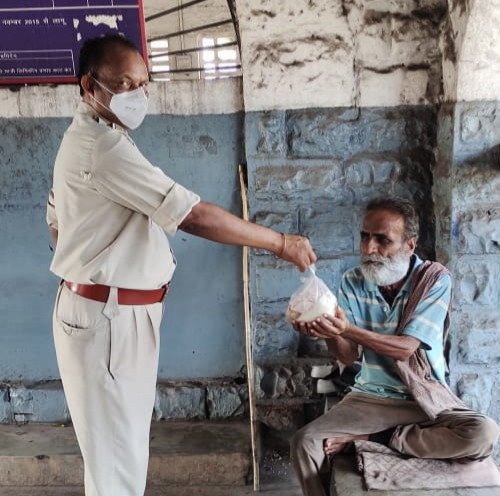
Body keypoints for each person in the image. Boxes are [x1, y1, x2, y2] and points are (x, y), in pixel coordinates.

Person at [46, 34, 316, 496]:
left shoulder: (90, 137)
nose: (137, 95)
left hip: (106, 310)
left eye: (143, 84)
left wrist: (98, 253)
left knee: (117, 455)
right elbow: (193, 215)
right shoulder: (102, 147)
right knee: (117, 466)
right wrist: (279, 243)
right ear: (90, 85)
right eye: (124, 84)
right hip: (109, 317)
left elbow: (56, 224)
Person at [291, 197, 499, 496]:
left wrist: (347, 328)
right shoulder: (352, 281)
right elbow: (348, 355)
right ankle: (382, 438)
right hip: (370, 398)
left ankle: (379, 438)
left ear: (409, 245)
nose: (369, 249)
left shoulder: (434, 280)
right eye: (365, 237)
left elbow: (405, 349)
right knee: (304, 443)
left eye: (383, 240)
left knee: (483, 433)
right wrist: (327, 331)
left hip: (423, 399)